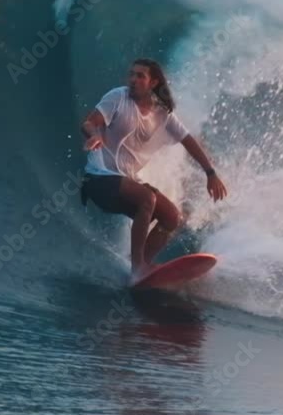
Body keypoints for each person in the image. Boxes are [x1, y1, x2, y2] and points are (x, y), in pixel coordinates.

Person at [79, 58, 228, 279]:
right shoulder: (118, 97)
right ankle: (138, 267)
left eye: (140, 76)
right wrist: (95, 135)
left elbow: (188, 141)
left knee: (172, 218)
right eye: (131, 74)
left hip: (123, 183)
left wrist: (210, 173)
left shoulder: (162, 113)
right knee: (147, 197)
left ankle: (140, 268)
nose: (133, 79)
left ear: (153, 82)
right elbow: (89, 122)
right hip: (99, 179)